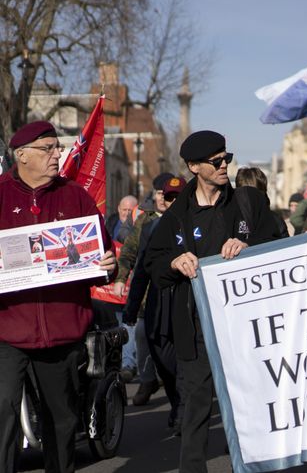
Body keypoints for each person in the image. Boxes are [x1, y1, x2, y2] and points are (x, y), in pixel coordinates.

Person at [144, 130, 287, 473]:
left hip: (247, 327)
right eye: (216, 161)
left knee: (254, 406)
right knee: (194, 409)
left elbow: (280, 245)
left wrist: (250, 248)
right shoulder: (177, 215)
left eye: (227, 158)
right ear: (194, 167)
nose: (225, 166)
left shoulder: (248, 203)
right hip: (196, 325)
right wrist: (174, 263)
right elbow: (153, 263)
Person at [0, 120, 117, 473]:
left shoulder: (75, 196)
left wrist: (107, 265)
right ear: (21, 155)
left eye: (57, 148)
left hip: (63, 328)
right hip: (7, 328)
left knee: (61, 420)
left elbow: (104, 253)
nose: (57, 155)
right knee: (2, 409)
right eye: (47, 149)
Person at [124, 176, 187, 430]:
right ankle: (176, 403)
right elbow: (141, 271)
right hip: (157, 307)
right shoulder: (150, 228)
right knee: (165, 364)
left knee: (185, 364)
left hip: (186, 306)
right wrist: (131, 306)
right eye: (166, 196)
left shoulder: (195, 224)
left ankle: (184, 412)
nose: (170, 201)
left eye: (176, 197)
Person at [116, 172, 174, 406]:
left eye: (167, 194)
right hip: (147, 294)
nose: (162, 198)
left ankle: (173, 387)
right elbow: (129, 251)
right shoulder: (144, 220)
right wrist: (121, 278)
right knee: (141, 336)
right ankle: (148, 379)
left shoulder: (183, 217)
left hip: (174, 292)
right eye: (160, 193)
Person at [235, 166, 289, 236]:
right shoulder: (230, 218)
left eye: (254, 193)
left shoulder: (275, 220)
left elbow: (285, 244)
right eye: (244, 193)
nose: (249, 198)